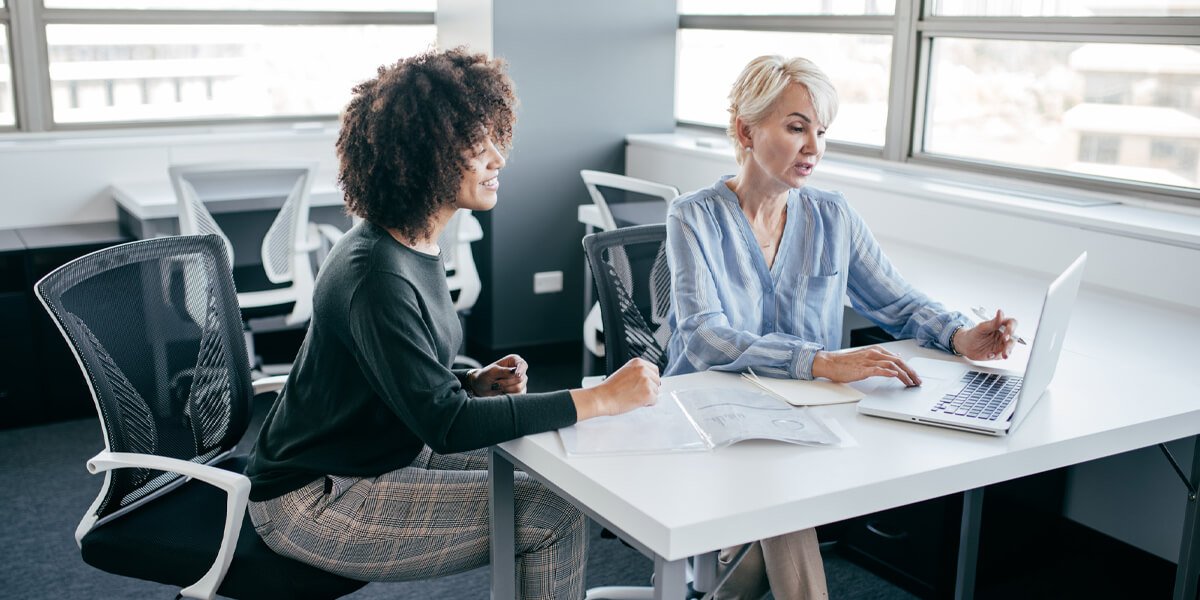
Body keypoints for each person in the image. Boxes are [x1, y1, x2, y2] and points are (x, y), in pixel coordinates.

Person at [244, 48, 660, 600]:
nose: (498, 159)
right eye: (475, 145)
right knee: (553, 511)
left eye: (496, 138)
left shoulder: (412, 241)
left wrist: (469, 382)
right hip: (317, 497)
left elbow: (404, 380)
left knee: (557, 475)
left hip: (382, 452)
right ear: (424, 156)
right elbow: (449, 426)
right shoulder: (376, 272)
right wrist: (602, 398)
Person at [664, 55, 1020, 600]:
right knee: (782, 506)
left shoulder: (832, 216)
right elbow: (702, 336)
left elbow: (897, 300)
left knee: (775, 513)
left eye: (821, 131)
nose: (814, 148)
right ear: (745, 130)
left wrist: (958, 335)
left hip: (802, 418)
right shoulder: (694, 217)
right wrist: (819, 360)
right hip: (709, 414)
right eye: (795, 127)